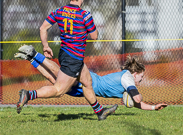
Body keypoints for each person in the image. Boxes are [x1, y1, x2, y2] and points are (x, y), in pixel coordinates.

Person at [16, 0, 118, 121]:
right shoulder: (84, 15)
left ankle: (100, 112)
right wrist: (91, 29)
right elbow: (94, 36)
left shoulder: (58, 11)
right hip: (74, 57)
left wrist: (46, 46)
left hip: (65, 53)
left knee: (87, 82)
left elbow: (43, 28)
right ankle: (28, 95)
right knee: (59, 90)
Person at [15, 46, 168, 111]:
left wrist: (154, 108)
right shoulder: (128, 77)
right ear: (135, 73)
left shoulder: (126, 83)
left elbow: (135, 104)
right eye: (141, 77)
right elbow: (137, 98)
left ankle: (30, 58)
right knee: (60, 76)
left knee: (55, 81)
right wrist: (138, 96)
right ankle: (35, 54)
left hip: (85, 90)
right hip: (89, 82)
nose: (141, 81)